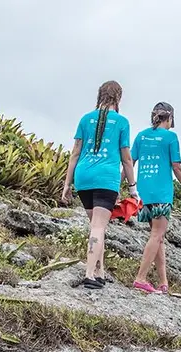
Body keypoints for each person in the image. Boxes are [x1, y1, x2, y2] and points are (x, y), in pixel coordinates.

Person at [60, 81, 136, 290]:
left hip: (83, 177)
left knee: (96, 225)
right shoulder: (121, 122)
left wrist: (67, 183)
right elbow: (127, 158)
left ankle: (100, 271)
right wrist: (132, 188)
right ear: (118, 98)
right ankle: (89, 274)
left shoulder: (85, 119)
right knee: (98, 227)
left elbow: (75, 152)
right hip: (106, 178)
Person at [130, 102, 181, 294]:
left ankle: (163, 281)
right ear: (171, 118)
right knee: (157, 235)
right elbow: (177, 166)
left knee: (157, 236)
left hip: (143, 192)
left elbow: (129, 161)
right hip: (162, 193)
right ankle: (140, 278)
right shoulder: (171, 137)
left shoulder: (141, 136)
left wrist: (121, 185)